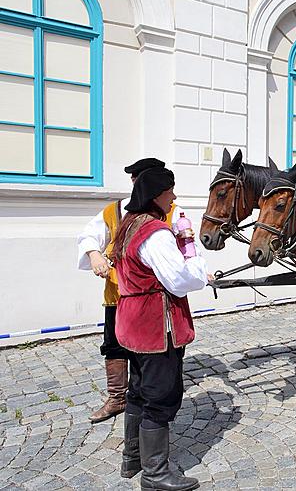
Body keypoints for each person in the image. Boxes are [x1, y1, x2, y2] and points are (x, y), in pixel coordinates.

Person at [111, 166, 207, 490]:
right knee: (161, 396)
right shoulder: (155, 232)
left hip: (132, 323)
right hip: (155, 326)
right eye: (170, 191)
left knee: (138, 389)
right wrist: (191, 250)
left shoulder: (128, 225)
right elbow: (179, 281)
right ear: (156, 195)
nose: (174, 197)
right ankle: (155, 474)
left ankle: (132, 458)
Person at [77, 158, 181, 423]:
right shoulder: (114, 211)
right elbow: (90, 235)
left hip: (153, 299)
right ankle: (117, 397)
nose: (136, 184)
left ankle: (144, 393)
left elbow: (181, 250)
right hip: (117, 293)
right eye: (134, 180)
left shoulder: (171, 210)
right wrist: (95, 256)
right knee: (114, 346)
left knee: (151, 355)